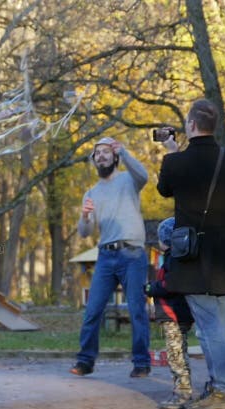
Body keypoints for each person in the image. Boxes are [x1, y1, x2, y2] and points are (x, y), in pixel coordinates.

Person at [157, 98, 225, 409]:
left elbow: (165, 189)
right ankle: (222, 388)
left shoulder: (175, 163)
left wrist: (172, 152)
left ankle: (222, 391)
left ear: (192, 125)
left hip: (193, 259)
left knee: (210, 328)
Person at [70, 136, 151, 378]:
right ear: (94, 161)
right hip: (105, 256)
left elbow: (144, 176)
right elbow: (85, 233)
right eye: (98, 153)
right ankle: (85, 361)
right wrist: (84, 217)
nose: (102, 156)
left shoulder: (129, 180)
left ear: (114, 157)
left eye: (106, 152)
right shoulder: (91, 193)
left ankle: (141, 363)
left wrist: (124, 152)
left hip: (132, 254)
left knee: (137, 310)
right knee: (93, 310)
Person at [144, 217, 194, 409]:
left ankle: (182, 392)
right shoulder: (177, 259)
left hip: (173, 314)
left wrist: (151, 288)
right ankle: (184, 387)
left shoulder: (173, 260)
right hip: (177, 313)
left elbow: (170, 285)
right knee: (180, 351)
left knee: (175, 354)